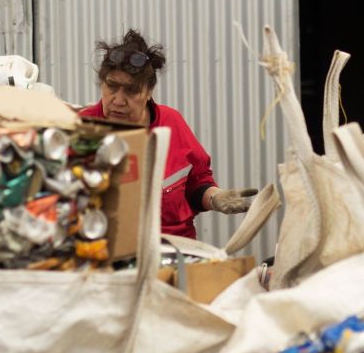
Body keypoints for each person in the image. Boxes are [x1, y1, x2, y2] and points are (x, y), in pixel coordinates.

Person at [79, 30, 257, 239]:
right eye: (111, 86)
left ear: (148, 91)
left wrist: (215, 198)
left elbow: (196, 182)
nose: (118, 100)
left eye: (131, 90)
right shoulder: (81, 129)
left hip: (174, 250)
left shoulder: (171, 124)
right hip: (106, 252)